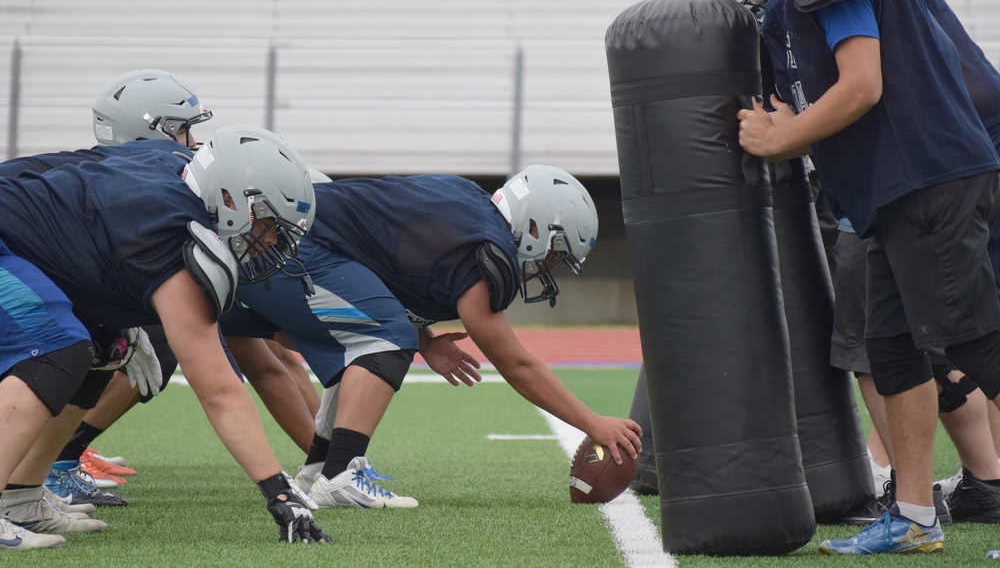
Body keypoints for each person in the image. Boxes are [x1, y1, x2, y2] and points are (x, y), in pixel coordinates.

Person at [716, 0, 1000, 554]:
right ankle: (913, 513)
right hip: (896, 187)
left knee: (973, 342)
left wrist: (784, 139)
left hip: (925, 180)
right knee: (891, 347)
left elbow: (863, 83)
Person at [222, 165, 643, 509]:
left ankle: (319, 471)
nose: (545, 269)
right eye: (554, 254)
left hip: (273, 248)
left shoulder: (465, 202)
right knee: (387, 337)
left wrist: (425, 341)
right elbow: (517, 365)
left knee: (370, 341)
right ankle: (340, 474)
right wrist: (593, 423)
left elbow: (382, 262)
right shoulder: (487, 253)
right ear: (536, 229)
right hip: (285, 252)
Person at [0, 124, 328, 549]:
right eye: (269, 227)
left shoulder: (176, 163)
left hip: (26, 244)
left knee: (106, 350)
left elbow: (70, 171)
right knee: (55, 350)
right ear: (231, 199)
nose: (271, 245)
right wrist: (278, 493)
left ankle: (21, 497)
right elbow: (219, 391)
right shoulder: (169, 238)